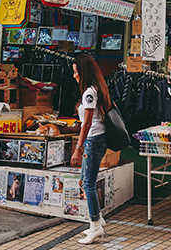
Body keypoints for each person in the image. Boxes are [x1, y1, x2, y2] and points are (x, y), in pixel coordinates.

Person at [70, 54, 112, 245]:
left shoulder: (89, 92)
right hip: (97, 139)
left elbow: (86, 124)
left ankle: (95, 225)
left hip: (93, 140)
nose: (74, 76)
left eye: (76, 72)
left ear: (83, 72)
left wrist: (78, 148)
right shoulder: (97, 89)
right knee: (89, 182)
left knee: (88, 184)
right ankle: (98, 220)